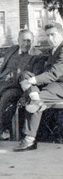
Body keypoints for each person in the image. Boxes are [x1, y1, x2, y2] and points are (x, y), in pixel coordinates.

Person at [0, 29, 44, 150]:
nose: (26, 44)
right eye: (24, 40)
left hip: (15, 87)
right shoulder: (11, 50)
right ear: (18, 40)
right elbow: (3, 67)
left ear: (33, 41)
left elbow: (34, 77)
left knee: (5, 101)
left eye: (29, 41)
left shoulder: (37, 55)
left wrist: (24, 95)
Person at [13, 23, 63, 152]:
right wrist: (29, 78)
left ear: (61, 34)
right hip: (52, 85)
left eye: (53, 35)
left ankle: (29, 140)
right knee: (24, 74)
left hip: (60, 86)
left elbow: (54, 73)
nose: (50, 38)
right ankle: (35, 98)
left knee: (34, 97)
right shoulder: (54, 49)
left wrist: (33, 80)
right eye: (48, 35)